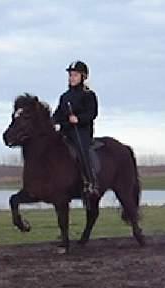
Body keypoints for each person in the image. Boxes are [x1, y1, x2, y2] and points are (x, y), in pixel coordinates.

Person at [52, 60, 99, 197]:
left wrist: (78, 119)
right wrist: (53, 122)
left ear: (83, 77)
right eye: (70, 75)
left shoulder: (88, 95)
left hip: (82, 132)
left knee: (81, 149)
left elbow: (92, 113)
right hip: (66, 130)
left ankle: (90, 182)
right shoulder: (64, 96)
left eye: (75, 75)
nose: (72, 78)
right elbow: (58, 113)